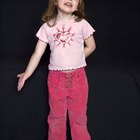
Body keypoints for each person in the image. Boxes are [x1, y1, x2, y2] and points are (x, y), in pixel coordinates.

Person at [17, 0, 96, 140]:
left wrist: (76, 57)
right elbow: (37, 53)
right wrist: (27, 73)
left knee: (79, 119)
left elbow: (91, 46)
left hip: (78, 78)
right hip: (55, 80)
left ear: (79, 4)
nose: (70, 0)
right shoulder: (48, 26)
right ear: (54, 1)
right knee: (56, 118)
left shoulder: (81, 23)